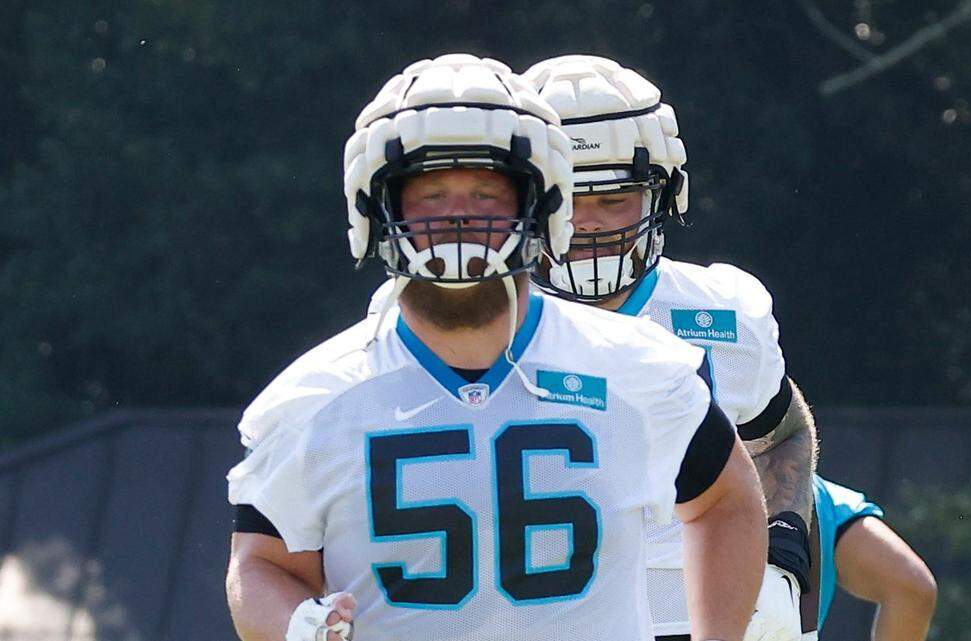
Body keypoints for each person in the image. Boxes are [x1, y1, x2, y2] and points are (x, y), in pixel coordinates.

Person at [225, 54, 768, 641]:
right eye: (431, 195)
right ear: (378, 208)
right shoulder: (313, 401)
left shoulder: (636, 368)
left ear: (539, 204)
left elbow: (726, 502)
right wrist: (297, 627)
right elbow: (263, 564)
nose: (459, 218)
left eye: (486, 194)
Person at [518, 55, 819, 641]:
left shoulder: (726, 313)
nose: (589, 225)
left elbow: (781, 432)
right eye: (568, 199)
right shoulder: (480, 328)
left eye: (614, 199)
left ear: (664, 194)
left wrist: (784, 557)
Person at [805, 476, 936, 641]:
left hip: (804, 487)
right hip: (777, 483)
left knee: (912, 589)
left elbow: (910, 591)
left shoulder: (823, 503)